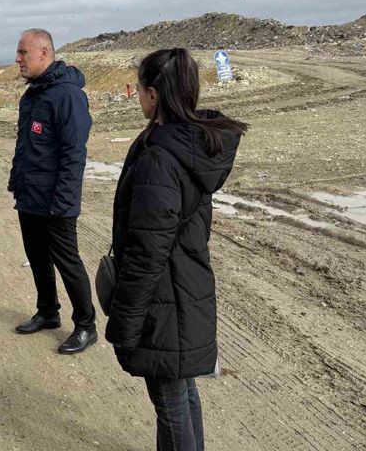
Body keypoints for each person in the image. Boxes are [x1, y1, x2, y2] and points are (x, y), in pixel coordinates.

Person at [107, 48, 248, 450]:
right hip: (185, 290)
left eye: (139, 90)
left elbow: (147, 252)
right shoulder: (191, 144)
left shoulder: (160, 159)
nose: (137, 98)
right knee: (181, 391)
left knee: (170, 401)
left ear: (153, 95)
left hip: (165, 300)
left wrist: (126, 321)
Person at [8, 29, 97, 354]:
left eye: (23, 53)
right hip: (30, 196)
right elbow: (27, 145)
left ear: (44, 53)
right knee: (37, 257)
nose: (17, 59)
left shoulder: (68, 96)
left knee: (67, 261)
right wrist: (17, 181)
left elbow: (74, 154)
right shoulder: (32, 95)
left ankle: (86, 325)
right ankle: (48, 312)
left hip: (56, 201)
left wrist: (64, 201)